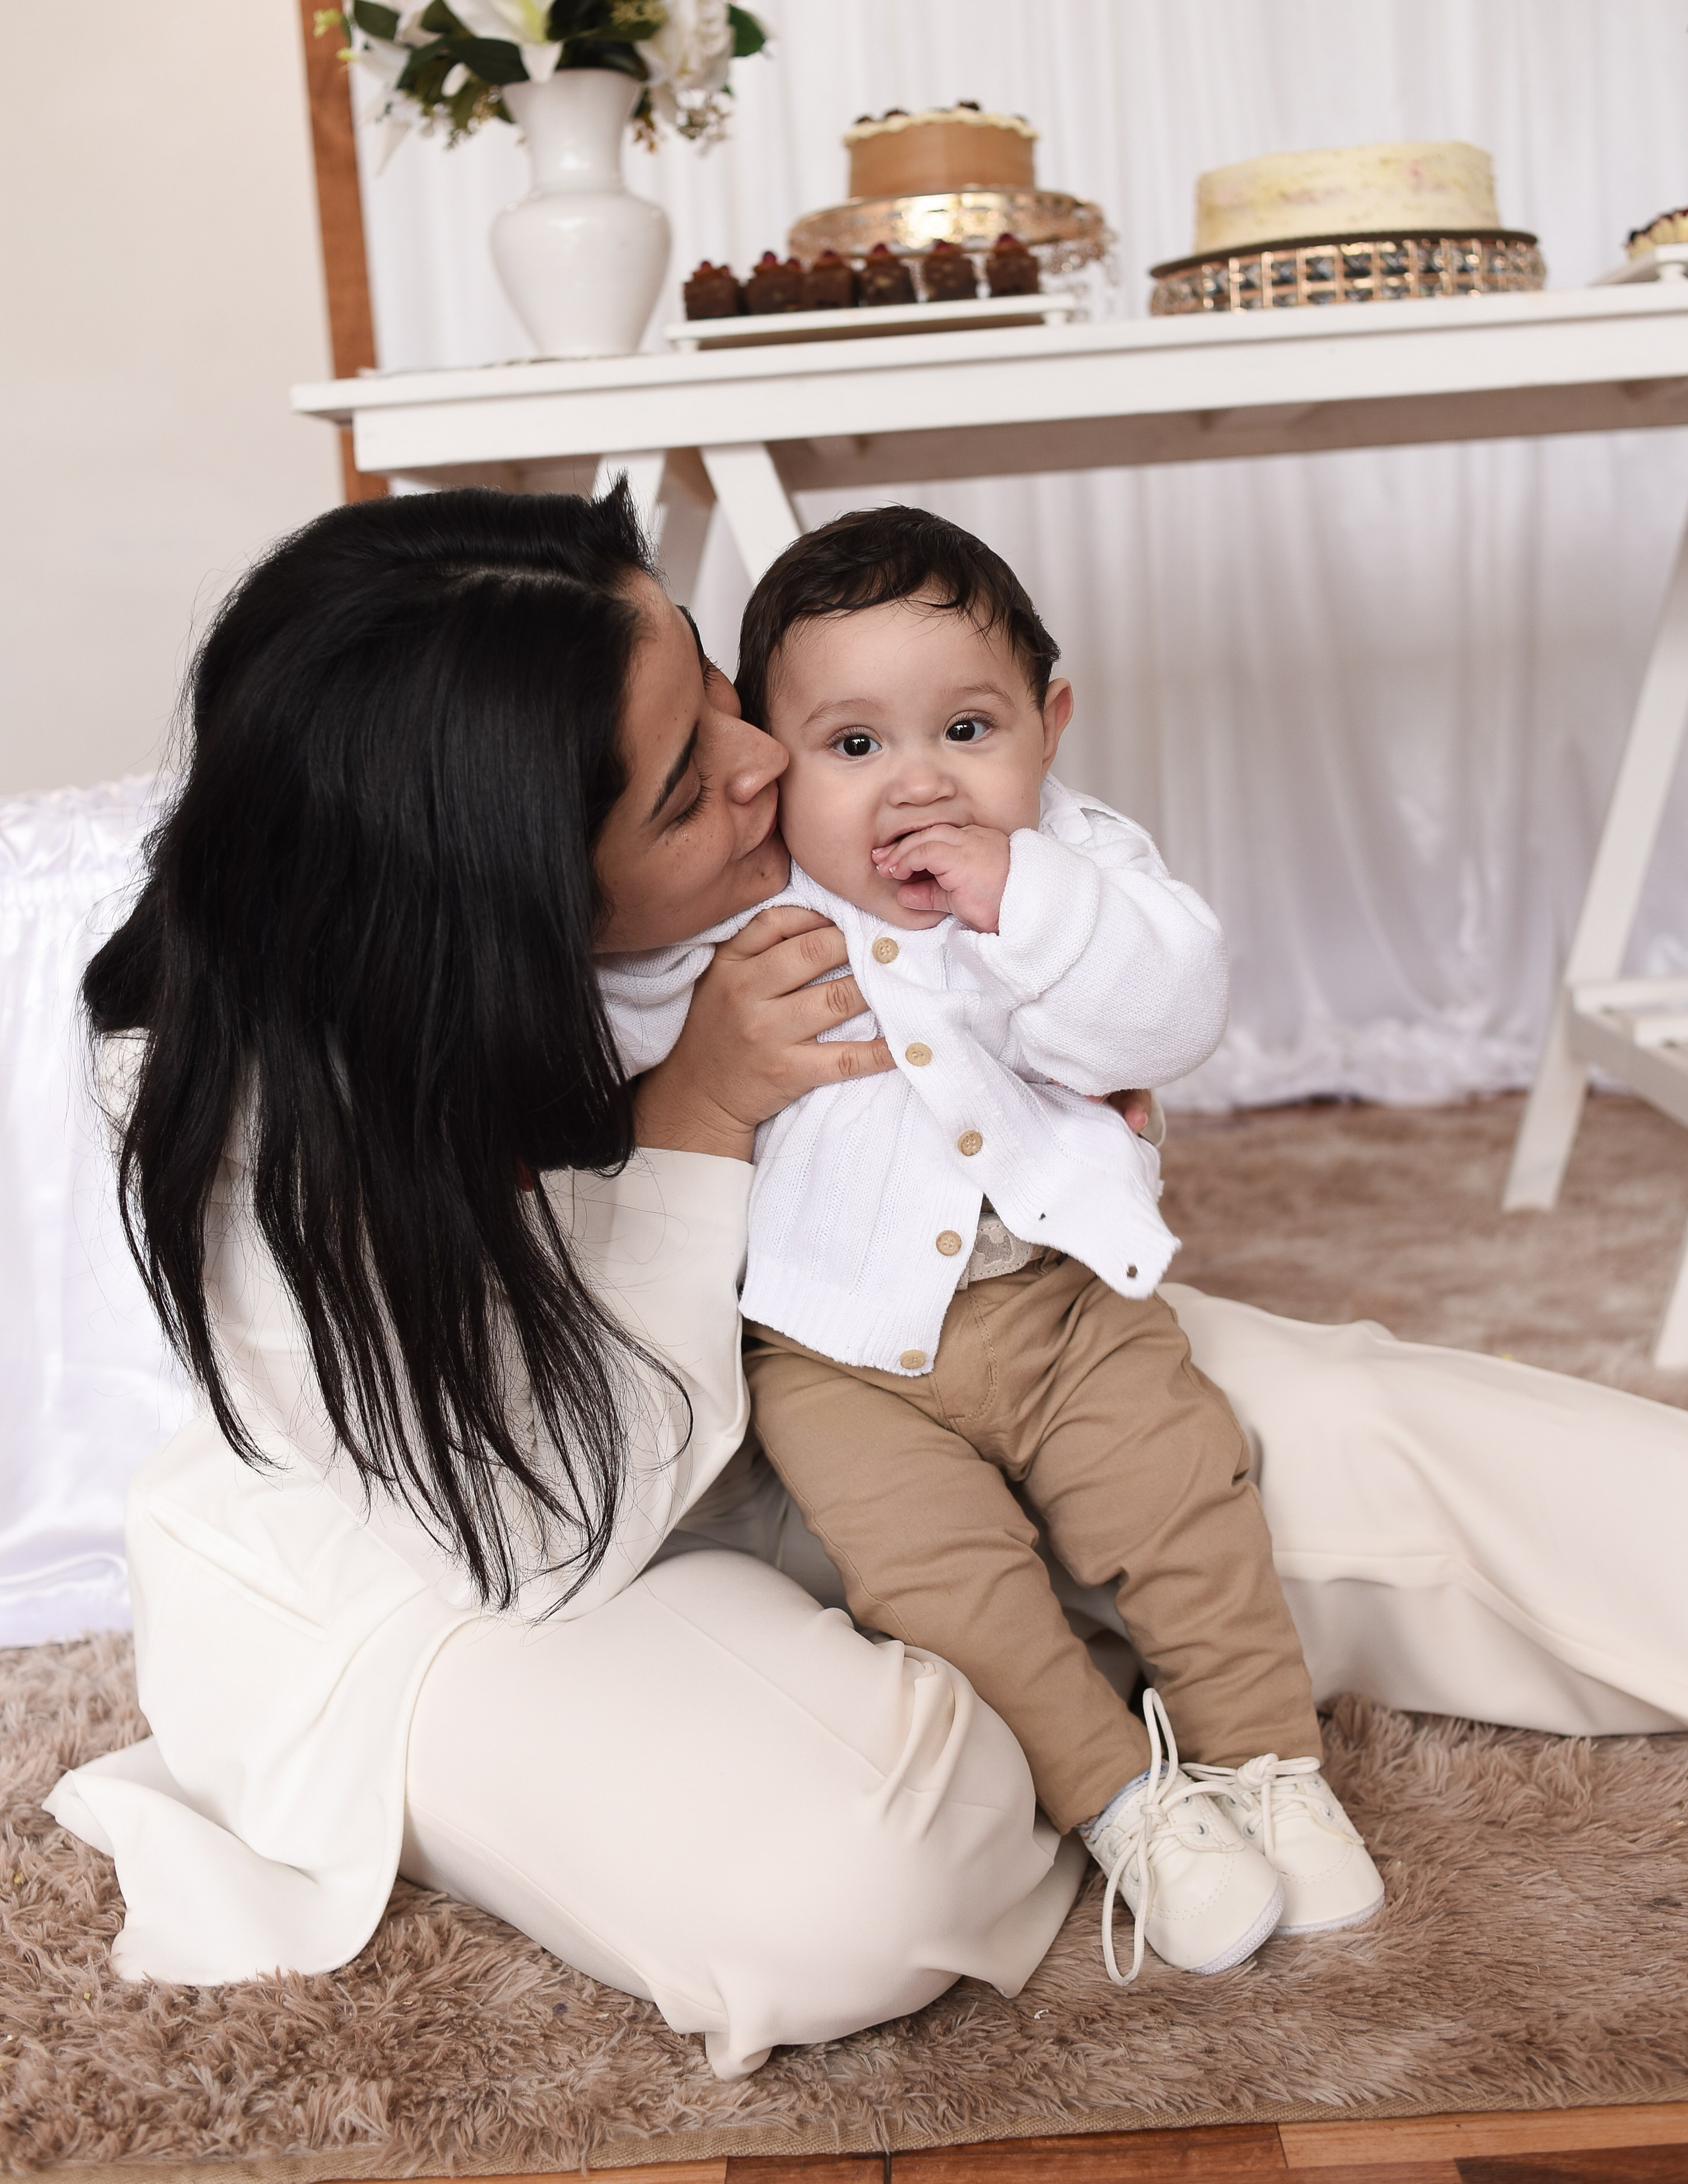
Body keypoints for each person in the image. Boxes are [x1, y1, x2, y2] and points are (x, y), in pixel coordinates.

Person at [45, 485, 1688, 2084]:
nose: (770, 754)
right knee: (854, 1879)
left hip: (858, 1357)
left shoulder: (794, 873)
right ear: (509, 904)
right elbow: (556, 1516)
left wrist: (1031, 1082)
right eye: (691, 780)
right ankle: (1090, 1729)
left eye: (711, 680)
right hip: (502, 1539)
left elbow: (1056, 988)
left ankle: (1122, 1647)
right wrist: (698, 1108)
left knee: (1329, 1441)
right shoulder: (269, 1144)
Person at [599, 506, 1383, 1985]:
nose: (917, 788)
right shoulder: (736, 907)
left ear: (1049, 722)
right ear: (767, 760)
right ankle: (1127, 1804)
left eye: (966, 729)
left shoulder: (1076, 865)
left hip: (1065, 1300)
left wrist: (1023, 901)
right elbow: (611, 1057)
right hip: (837, 1354)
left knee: (1186, 1503)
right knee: (940, 1587)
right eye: (850, 747)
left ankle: (1269, 1765)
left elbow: (1165, 1015)